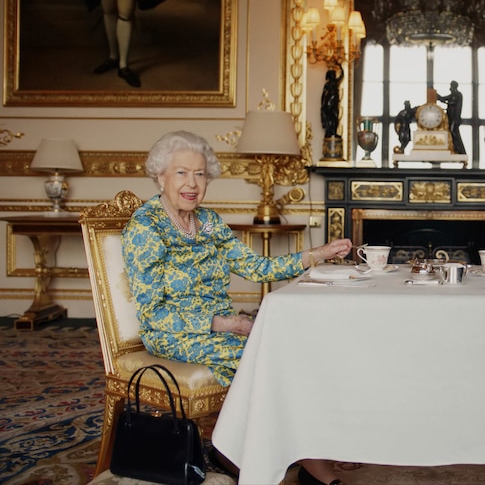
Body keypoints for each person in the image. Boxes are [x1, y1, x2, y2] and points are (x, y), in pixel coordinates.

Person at [121, 131, 351, 485]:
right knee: (268, 356)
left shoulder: (209, 222)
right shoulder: (146, 226)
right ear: (160, 176)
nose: (192, 183)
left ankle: (251, 451)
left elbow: (258, 268)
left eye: (200, 174)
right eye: (181, 173)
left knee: (288, 348)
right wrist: (222, 324)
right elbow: (153, 312)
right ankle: (305, 459)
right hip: (171, 332)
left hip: (223, 326)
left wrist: (316, 254)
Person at [437, 81, 466, 155]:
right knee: (452, 132)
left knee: (454, 132)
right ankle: (455, 148)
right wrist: (438, 96)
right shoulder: (453, 94)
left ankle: (460, 150)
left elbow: (450, 102)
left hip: (455, 118)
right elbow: (444, 99)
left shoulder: (458, 95)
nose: (450, 88)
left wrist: (440, 98)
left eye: (451, 86)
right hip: (451, 117)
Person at [321, 68, 344, 138]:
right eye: (332, 75)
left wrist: (340, 66)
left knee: (335, 117)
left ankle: (334, 132)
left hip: (334, 104)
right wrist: (323, 104)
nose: (333, 76)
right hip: (328, 103)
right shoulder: (327, 85)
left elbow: (342, 76)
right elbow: (323, 95)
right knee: (329, 118)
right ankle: (330, 132)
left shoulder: (335, 83)